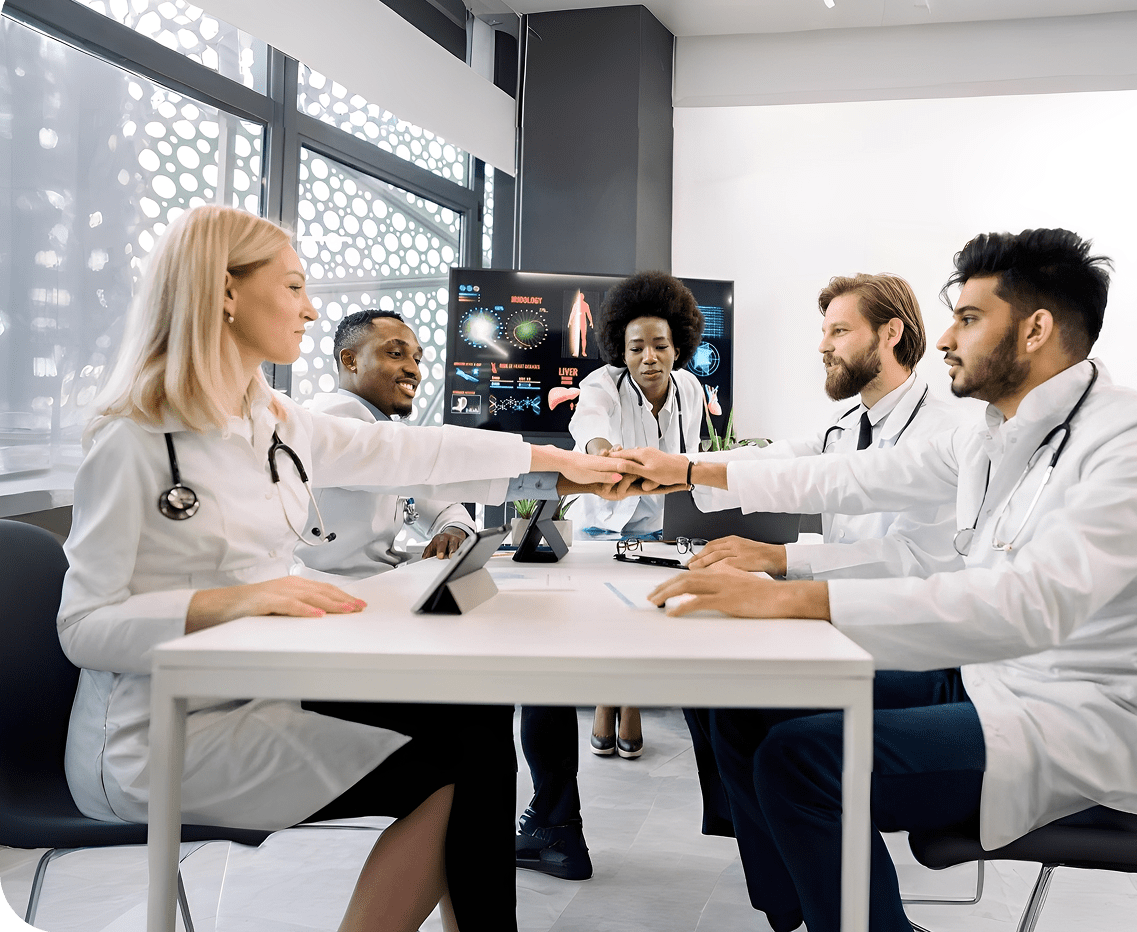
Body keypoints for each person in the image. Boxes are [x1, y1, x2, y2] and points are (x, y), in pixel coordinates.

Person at [57, 205, 627, 932]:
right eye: (293, 286)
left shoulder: (272, 420)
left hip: (256, 693)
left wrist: (558, 466)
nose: (311, 307)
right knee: (459, 751)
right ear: (225, 292)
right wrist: (231, 602)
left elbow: (417, 453)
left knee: (477, 715)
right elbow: (83, 626)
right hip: (155, 740)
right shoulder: (134, 438)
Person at [617, 228, 1137, 932]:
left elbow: (1032, 606)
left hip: (1083, 722)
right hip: (992, 677)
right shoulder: (993, 433)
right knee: (745, 704)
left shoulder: (1134, 438)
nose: (947, 338)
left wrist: (789, 595)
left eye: (969, 317)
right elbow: (847, 473)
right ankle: (804, 916)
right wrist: (683, 470)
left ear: (1036, 328)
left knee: (801, 763)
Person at [677, 272, 964, 837]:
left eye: (838, 330)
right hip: (845, 621)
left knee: (743, 706)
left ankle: (790, 854)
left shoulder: (943, 432)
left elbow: (911, 561)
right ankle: (780, 860)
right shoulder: (848, 424)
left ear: (890, 333)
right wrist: (679, 476)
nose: (822, 345)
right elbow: (784, 462)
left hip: (912, 641)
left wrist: (780, 559)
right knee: (706, 682)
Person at [515, 271, 707, 883]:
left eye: (659, 345)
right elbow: (589, 422)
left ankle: (607, 732)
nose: (649, 358)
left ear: (678, 344)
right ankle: (563, 805)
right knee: (562, 658)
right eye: (635, 348)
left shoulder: (691, 389)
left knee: (634, 644)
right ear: (618, 353)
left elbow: (689, 466)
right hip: (600, 535)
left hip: (656, 538)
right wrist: (603, 453)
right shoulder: (603, 384)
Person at [298, 309, 476, 578]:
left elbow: (448, 508)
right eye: (395, 354)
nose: (413, 369)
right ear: (350, 360)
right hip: (328, 592)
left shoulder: (387, 434)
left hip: (380, 588)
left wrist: (452, 531)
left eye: (417, 359)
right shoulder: (329, 427)